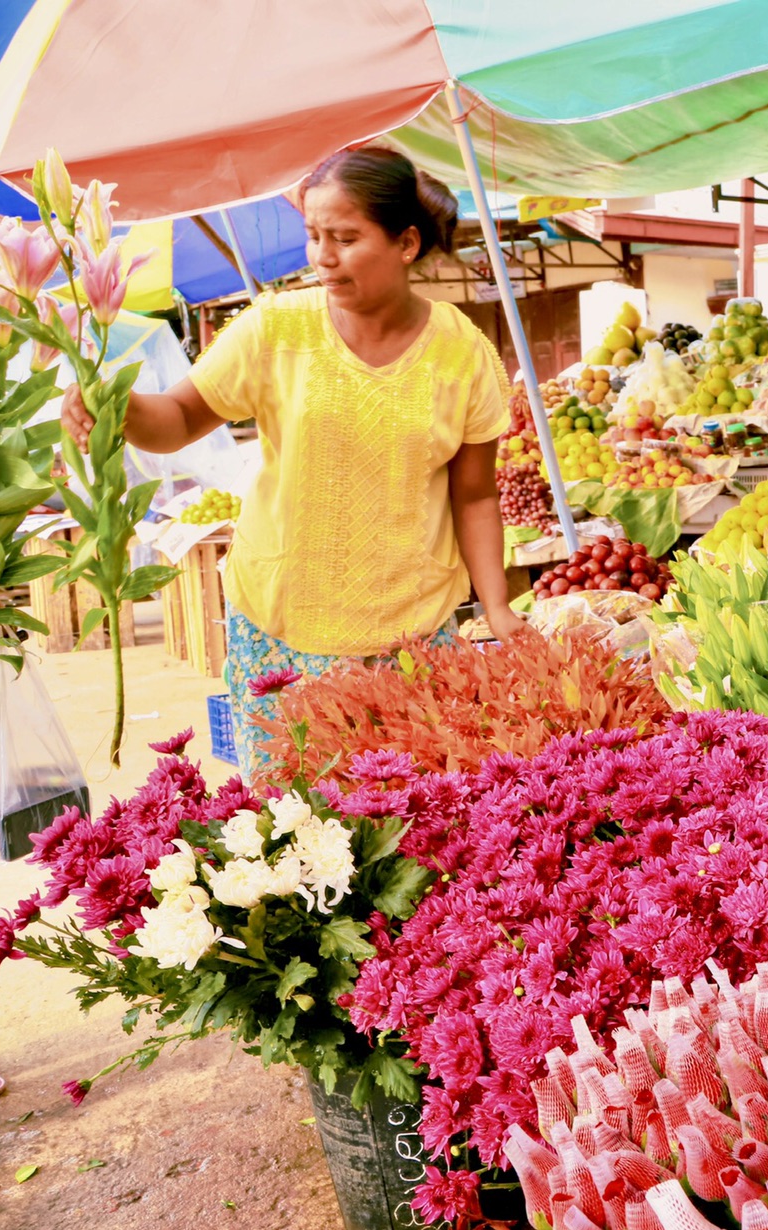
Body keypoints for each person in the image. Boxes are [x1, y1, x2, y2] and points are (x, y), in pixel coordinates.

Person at [62, 147, 525, 777]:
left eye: (344, 237)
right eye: (312, 236)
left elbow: (474, 495)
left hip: (415, 635)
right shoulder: (274, 330)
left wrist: (496, 607)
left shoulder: (462, 352)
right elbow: (176, 420)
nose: (322, 257)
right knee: (296, 839)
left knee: (416, 832)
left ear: (407, 243)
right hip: (284, 630)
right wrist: (114, 405)